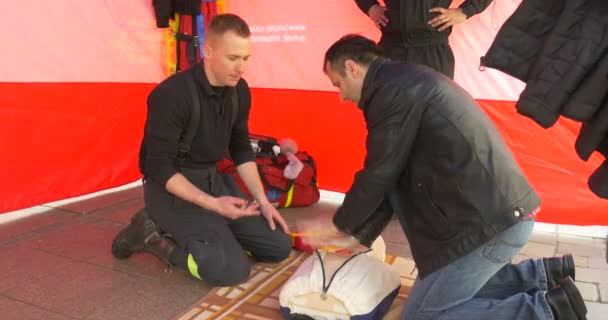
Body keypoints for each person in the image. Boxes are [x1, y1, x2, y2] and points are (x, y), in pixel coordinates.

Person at [315, 34, 587, 320]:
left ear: (352, 68)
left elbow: (378, 174)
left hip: (488, 225)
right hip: (491, 217)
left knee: (423, 316)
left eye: (338, 84)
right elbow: (391, 176)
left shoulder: (392, 92)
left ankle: (547, 312)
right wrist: (361, 235)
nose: (341, 96)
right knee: (447, 290)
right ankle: (546, 278)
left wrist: (340, 226)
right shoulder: (402, 81)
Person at [111, 13, 292, 286]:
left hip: (213, 181)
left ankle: (217, 232)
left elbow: (241, 148)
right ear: (208, 51)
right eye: (233, 58)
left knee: (278, 247)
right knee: (229, 271)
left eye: (246, 58)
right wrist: (213, 205)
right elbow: (158, 167)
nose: (241, 67)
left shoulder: (239, 90)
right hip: (170, 189)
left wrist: (263, 201)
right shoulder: (172, 94)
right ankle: (150, 235)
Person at [354, 0, 493, 79]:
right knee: (389, 116)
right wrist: (370, 7)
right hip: (392, 48)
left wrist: (465, 11)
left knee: (435, 119)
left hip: (433, 50)